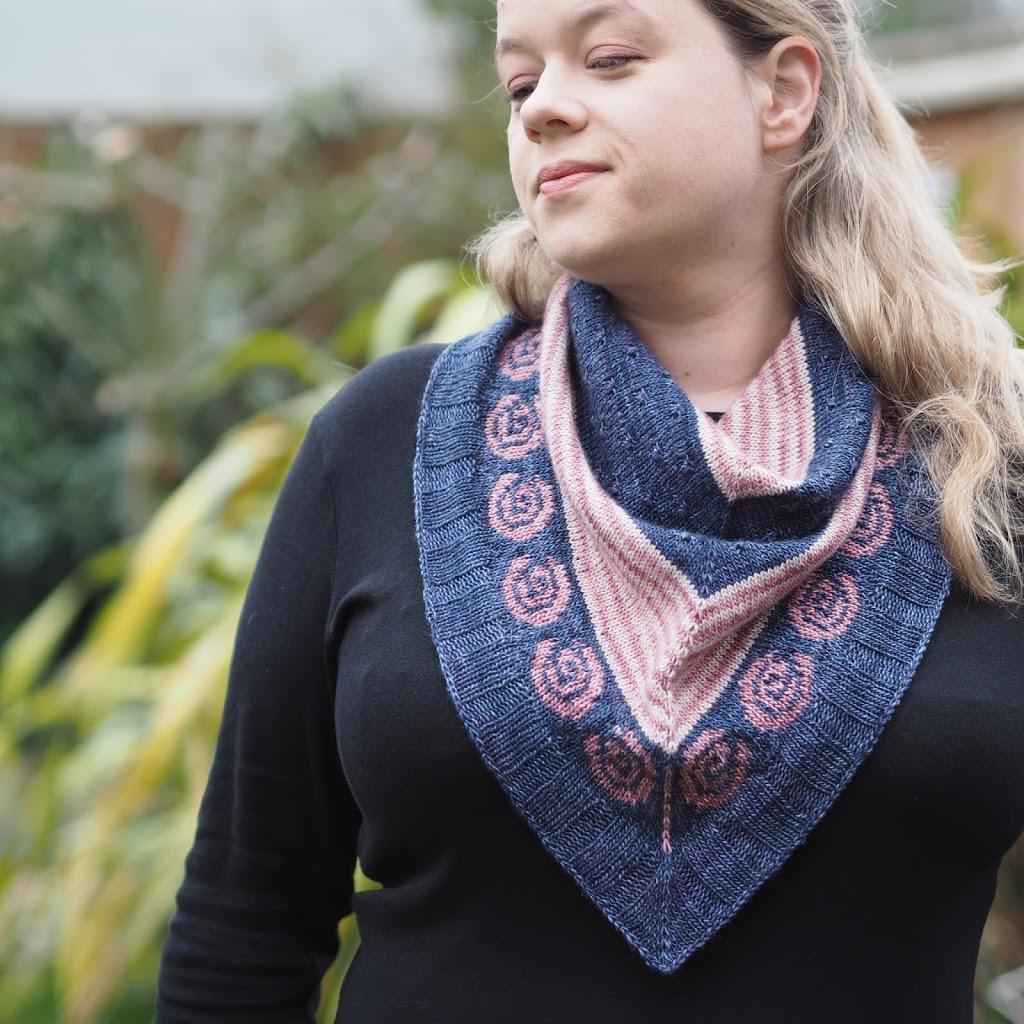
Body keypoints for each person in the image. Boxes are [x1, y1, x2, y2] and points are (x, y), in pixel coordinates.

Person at [155, 0, 1024, 1020]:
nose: (542, 111)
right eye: (520, 81)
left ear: (784, 90)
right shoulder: (382, 442)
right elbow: (243, 925)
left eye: (609, 58)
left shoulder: (985, 473)